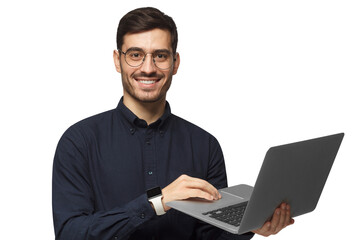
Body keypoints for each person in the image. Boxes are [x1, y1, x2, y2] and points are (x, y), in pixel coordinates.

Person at [52, 7, 294, 240]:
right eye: (135, 55)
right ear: (118, 61)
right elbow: (70, 233)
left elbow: (209, 236)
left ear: (175, 62)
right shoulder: (78, 142)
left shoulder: (205, 146)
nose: (148, 68)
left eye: (160, 56)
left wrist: (250, 226)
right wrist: (158, 202)